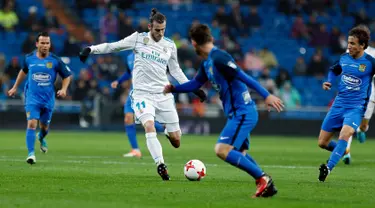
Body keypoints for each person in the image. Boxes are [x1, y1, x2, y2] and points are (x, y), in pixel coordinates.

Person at [79, 8, 206, 180]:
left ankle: (168, 132)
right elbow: (113, 46)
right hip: (142, 95)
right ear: (149, 27)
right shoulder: (138, 39)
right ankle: (160, 164)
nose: (160, 33)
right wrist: (90, 49)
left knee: (176, 141)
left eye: (163, 30)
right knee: (148, 125)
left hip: (163, 95)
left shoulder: (169, 45)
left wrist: (193, 87)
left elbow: (176, 71)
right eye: (157, 30)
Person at [164, 24, 284, 198]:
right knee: (240, 153)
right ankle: (266, 184)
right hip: (236, 113)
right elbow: (195, 84)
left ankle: (263, 179)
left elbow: (243, 76)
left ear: (193, 43)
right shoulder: (207, 64)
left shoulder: (220, 57)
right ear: (211, 38)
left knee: (222, 150)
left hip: (243, 112)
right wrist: (173, 89)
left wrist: (266, 95)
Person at [318, 25, 375, 182]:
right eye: (348, 42)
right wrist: (329, 82)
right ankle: (341, 149)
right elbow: (333, 70)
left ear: (362, 45)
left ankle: (328, 168)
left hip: (356, 108)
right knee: (322, 143)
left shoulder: (370, 62)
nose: (349, 46)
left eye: (353, 43)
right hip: (338, 105)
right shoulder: (344, 58)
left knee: (346, 134)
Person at [8, 31, 72, 165]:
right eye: (42, 43)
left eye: (47, 43)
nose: (45, 45)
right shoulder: (29, 58)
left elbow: (67, 75)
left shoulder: (55, 60)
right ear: (37, 44)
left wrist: (64, 89)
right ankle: (31, 154)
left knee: (44, 128)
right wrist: (14, 87)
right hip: (32, 97)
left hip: (48, 99)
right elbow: (23, 71)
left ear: (50, 44)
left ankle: (41, 137)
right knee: (31, 123)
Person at [111, 53, 165, 158]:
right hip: (133, 92)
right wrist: (119, 81)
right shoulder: (129, 57)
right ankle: (135, 150)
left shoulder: (149, 55)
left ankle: (163, 128)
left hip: (146, 92)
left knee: (142, 118)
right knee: (128, 118)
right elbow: (128, 72)